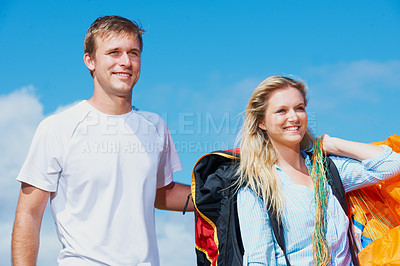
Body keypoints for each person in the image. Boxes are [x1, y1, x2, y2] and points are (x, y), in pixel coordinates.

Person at [12, 15, 193, 266]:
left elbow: (161, 194)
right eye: (114, 52)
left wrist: (226, 192)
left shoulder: (155, 126)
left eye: (133, 53)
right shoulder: (57, 128)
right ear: (90, 61)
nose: (126, 62)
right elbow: (28, 214)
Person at [236, 75, 400, 265]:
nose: (293, 117)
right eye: (281, 111)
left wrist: (333, 144)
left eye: (299, 108)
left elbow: (391, 164)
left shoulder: (328, 170)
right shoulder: (256, 188)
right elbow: (258, 261)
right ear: (261, 123)